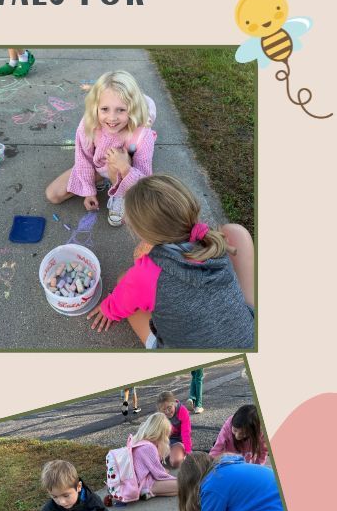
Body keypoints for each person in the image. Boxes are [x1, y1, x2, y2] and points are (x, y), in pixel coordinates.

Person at [87, 175, 256, 349]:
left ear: (142, 234)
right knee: (236, 233)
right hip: (249, 341)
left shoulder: (148, 273)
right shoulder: (214, 240)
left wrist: (107, 309)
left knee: (124, 280)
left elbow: (123, 300)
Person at [45, 70, 156, 227]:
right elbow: (83, 158)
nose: (112, 118)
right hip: (99, 167)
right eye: (105, 109)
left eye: (121, 110)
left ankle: (120, 195)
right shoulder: (89, 124)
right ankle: (103, 179)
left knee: (115, 157)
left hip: (123, 167)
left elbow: (145, 182)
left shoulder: (143, 135)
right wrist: (89, 190)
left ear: (132, 109)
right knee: (53, 195)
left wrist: (124, 168)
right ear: (95, 107)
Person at [129, 413, 178, 496]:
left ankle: (150, 493)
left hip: (136, 482)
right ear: (161, 433)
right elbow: (159, 474)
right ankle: (147, 491)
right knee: (182, 485)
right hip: (145, 483)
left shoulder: (137, 440)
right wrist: (175, 479)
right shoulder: (149, 447)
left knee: (179, 491)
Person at [156, 390, 191, 468]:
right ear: (159, 410)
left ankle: (179, 453)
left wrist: (188, 451)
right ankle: (167, 454)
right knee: (152, 459)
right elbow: (155, 434)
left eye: (169, 408)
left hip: (178, 440)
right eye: (164, 410)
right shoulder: (159, 416)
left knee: (175, 462)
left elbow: (186, 433)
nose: (167, 412)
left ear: (174, 403)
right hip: (164, 440)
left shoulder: (182, 411)